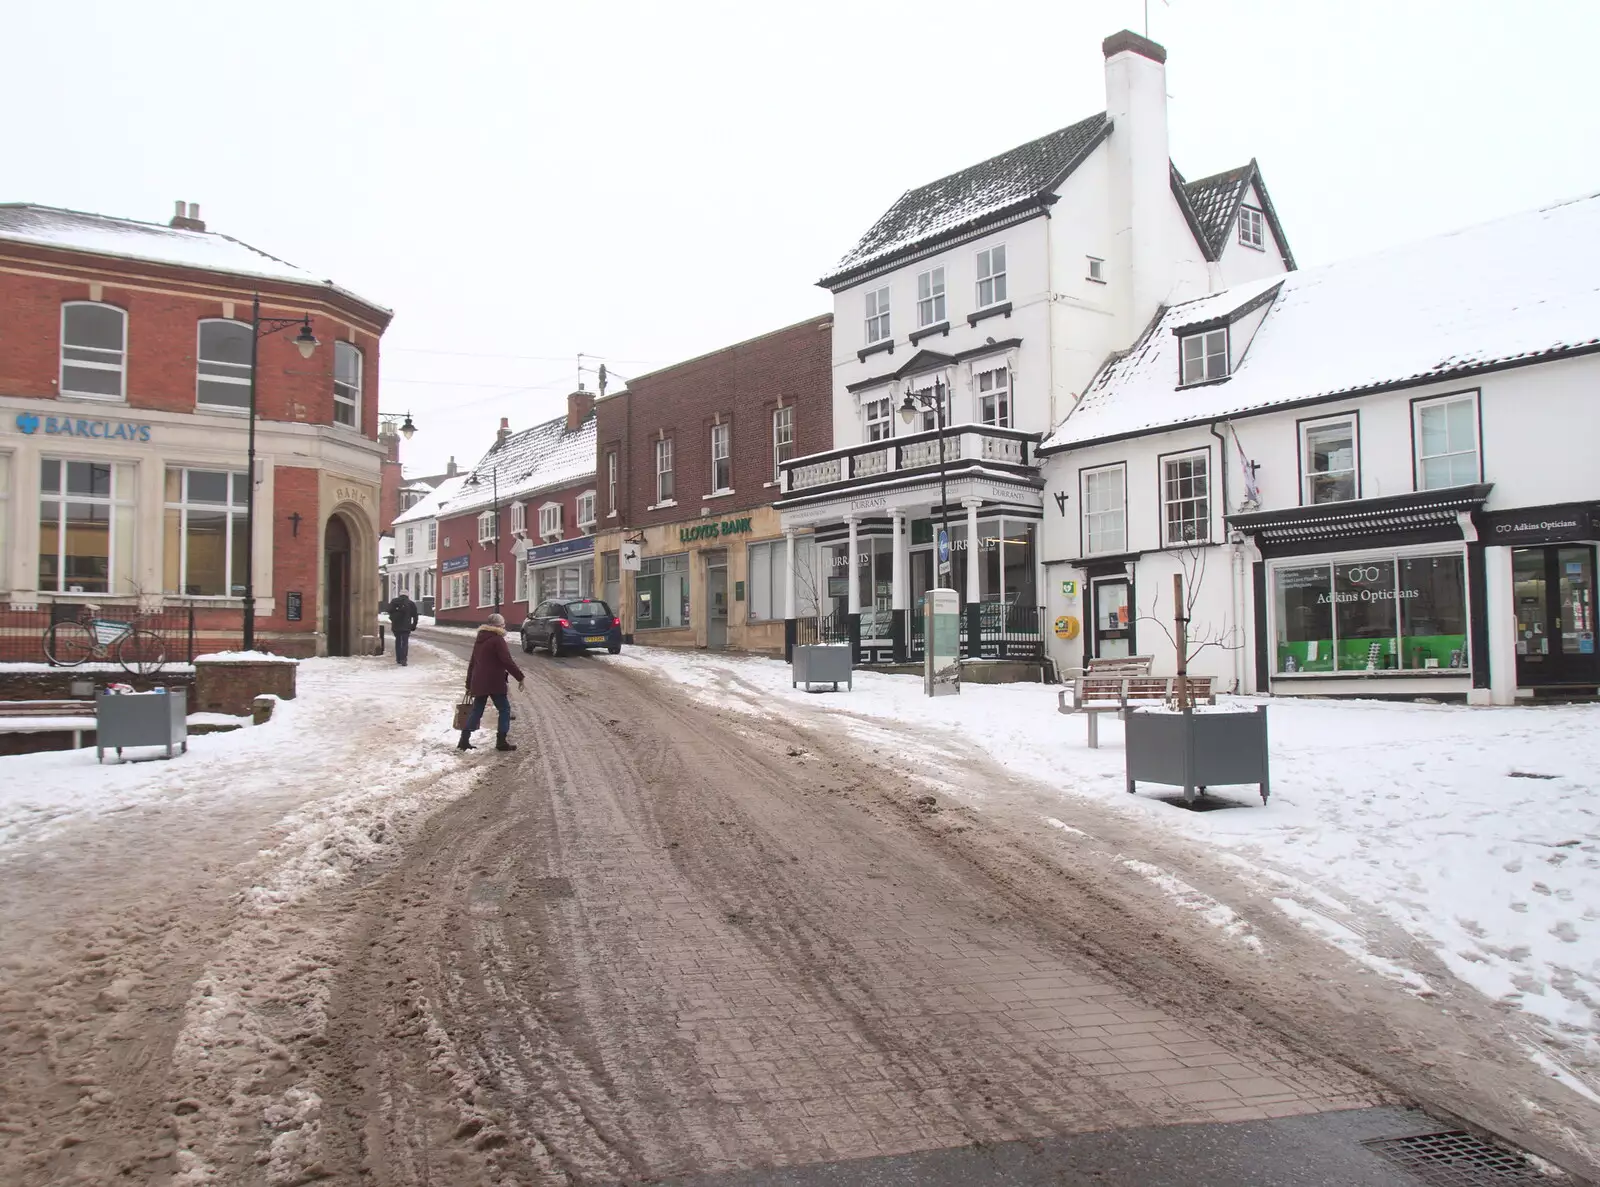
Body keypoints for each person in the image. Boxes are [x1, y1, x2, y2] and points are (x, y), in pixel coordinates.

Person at [460, 612, 524, 752]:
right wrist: (519, 676)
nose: (504, 626)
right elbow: (506, 661)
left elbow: (472, 662)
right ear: (497, 626)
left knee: (477, 710)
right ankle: (501, 742)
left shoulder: (480, 638)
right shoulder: (498, 640)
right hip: (495, 681)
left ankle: (463, 740)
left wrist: (469, 683)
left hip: (480, 681)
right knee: (505, 710)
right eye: (502, 624)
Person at [388, 590, 419, 666]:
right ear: (407, 595)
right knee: (405, 642)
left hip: (396, 625)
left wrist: (393, 617)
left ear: (400, 595)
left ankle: (398, 658)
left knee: (398, 641)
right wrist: (413, 625)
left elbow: (389, 610)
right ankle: (403, 659)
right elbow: (415, 616)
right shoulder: (411, 603)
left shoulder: (394, 601)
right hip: (406, 626)